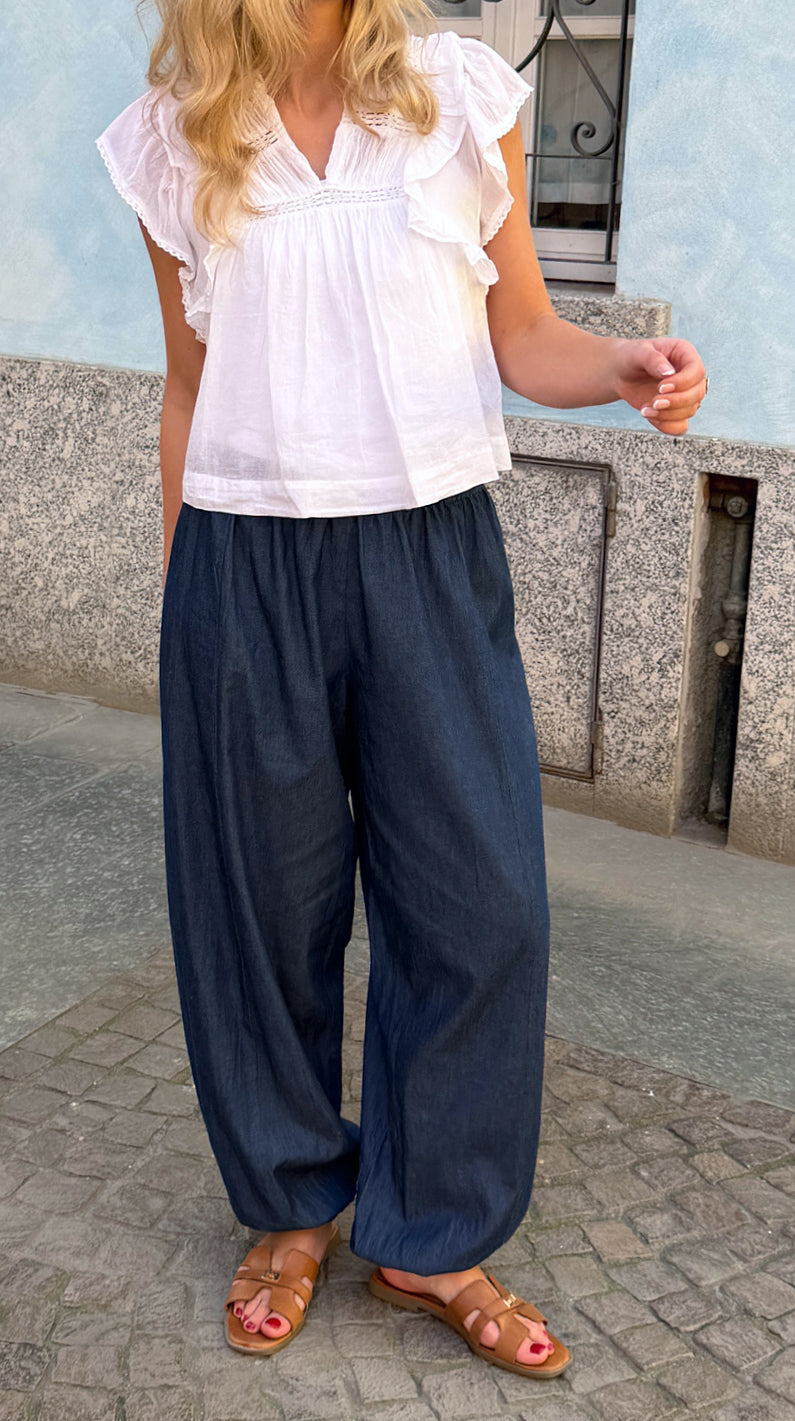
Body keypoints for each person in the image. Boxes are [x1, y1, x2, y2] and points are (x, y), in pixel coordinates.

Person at [96, 0, 707, 1379]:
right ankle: (292, 1202)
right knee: (258, 911)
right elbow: (189, 387)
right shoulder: (174, 137)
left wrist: (618, 369)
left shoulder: (456, 96)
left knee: (482, 902)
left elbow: (524, 333)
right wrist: (186, 596)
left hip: (429, 549)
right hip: (243, 560)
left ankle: (432, 1231)